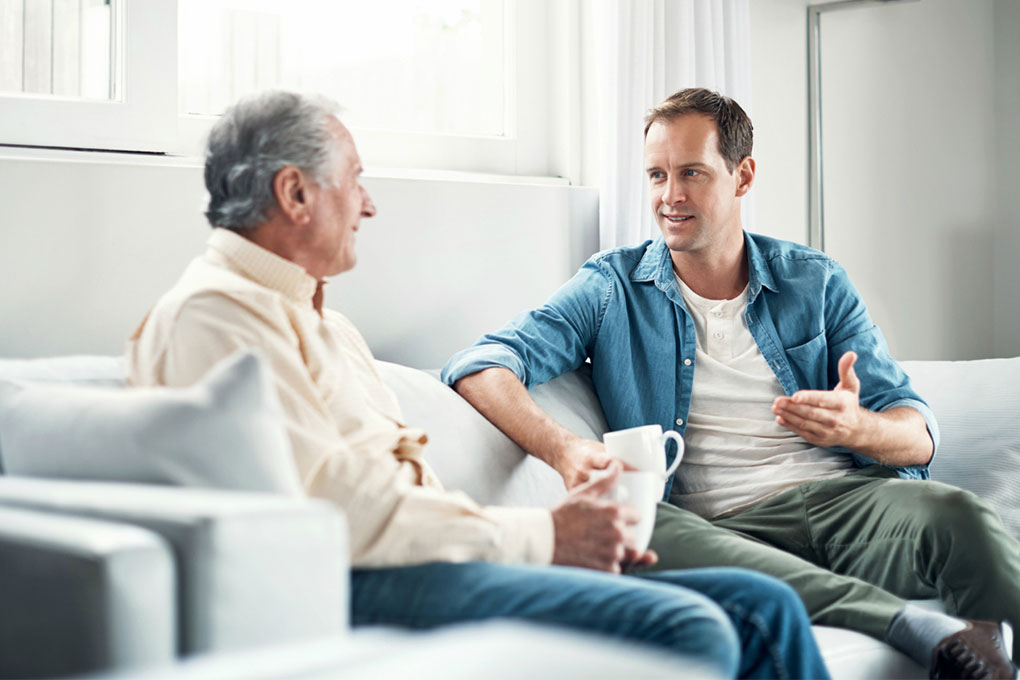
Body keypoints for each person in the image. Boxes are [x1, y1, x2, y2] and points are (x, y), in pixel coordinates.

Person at [126, 90, 830, 680]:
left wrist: (560, 541)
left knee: (763, 605)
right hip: (352, 582)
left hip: (422, 560)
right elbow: (344, 514)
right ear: (295, 192)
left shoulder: (324, 324)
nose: (367, 205)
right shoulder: (215, 316)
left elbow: (398, 493)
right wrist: (542, 537)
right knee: (690, 629)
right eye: (355, 180)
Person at [443, 87, 1020, 679]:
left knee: (958, 514)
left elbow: (917, 434)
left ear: (742, 176)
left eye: (691, 172)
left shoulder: (814, 282)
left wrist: (860, 427)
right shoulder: (611, 287)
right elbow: (481, 365)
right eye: (657, 175)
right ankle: (922, 629)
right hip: (712, 524)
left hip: (845, 504)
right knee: (636, 525)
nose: (670, 196)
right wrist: (564, 449)